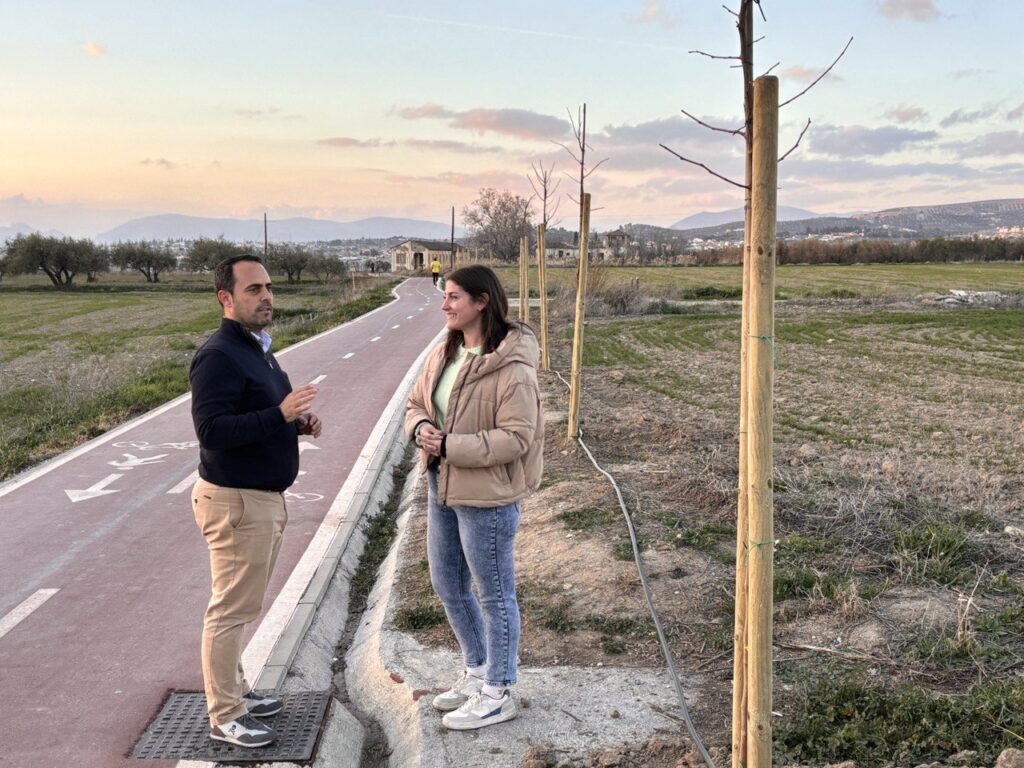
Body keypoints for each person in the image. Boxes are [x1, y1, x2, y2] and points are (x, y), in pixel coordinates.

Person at [189, 254, 322, 748]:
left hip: (259, 499)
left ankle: (237, 690)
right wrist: (280, 414)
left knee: (243, 607)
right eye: (253, 289)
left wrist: (295, 422)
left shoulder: (258, 349)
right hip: (236, 502)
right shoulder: (219, 355)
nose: (266, 296)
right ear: (225, 297)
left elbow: (262, 412)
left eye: (268, 287)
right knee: (229, 610)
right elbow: (212, 431)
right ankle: (224, 714)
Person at [406, 264, 544, 731]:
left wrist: (449, 446)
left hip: (487, 494)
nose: (444, 305)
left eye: (453, 297)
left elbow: (516, 439)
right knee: (448, 585)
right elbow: (416, 403)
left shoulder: (512, 367)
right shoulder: (444, 352)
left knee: (495, 593)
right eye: (444, 297)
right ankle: (478, 669)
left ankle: (499, 690)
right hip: (440, 482)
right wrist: (422, 428)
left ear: (482, 301)